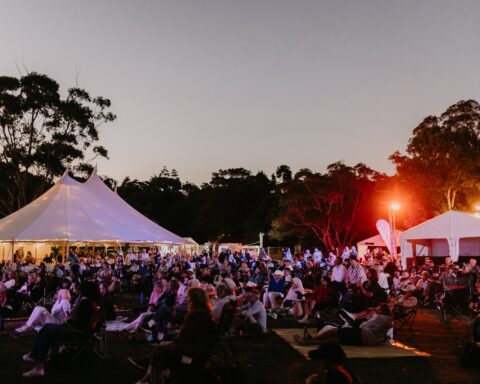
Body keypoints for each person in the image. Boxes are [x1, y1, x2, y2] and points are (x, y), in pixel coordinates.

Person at [132, 287, 218, 384]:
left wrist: (174, 339)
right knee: (162, 315)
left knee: (161, 348)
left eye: (188, 298)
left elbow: (182, 338)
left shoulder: (195, 315)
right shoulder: (204, 313)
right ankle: (147, 368)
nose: (186, 299)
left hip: (193, 358)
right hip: (200, 351)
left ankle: (150, 377)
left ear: (193, 300)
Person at [21, 281, 100, 378]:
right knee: (46, 330)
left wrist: (69, 321)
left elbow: (79, 322)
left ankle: (38, 365)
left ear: (85, 290)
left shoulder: (85, 303)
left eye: (81, 289)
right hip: (76, 331)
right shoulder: (91, 302)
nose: (79, 290)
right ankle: (37, 361)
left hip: (75, 333)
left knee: (46, 330)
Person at [294, 303, 393, 347]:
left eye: (378, 307)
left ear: (382, 310)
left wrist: (365, 320)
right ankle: (311, 341)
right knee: (338, 340)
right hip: (368, 340)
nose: (377, 308)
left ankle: (311, 340)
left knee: (335, 332)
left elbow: (364, 326)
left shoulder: (379, 317)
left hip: (363, 334)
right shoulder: (388, 320)